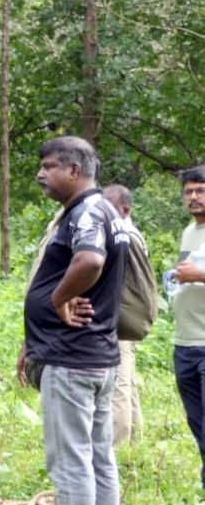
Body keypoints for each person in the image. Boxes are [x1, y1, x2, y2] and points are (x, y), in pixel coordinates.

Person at [18, 136, 126, 505]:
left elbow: (89, 262)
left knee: (72, 460)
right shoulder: (106, 212)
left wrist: (59, 300)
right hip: (95, 355)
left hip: (73, 358)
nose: (42, 174)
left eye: (49, 166)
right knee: (99, 456)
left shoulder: (86, 213)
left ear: (74, 171)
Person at [101, 184, 145, 446]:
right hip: (126, 318)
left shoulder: (122, 235)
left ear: (125, 209)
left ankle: (115, 446)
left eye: (109, 205)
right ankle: (134, 442)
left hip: (116, 317)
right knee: (126, 378)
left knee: (118, 382)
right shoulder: (131, 232)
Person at [169, 165, 205, 491]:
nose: (194, 197)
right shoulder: (188, 232)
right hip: (184, 342)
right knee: (197, 422)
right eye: (189, 192)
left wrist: (199, 276)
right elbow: (185, 272)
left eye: (200, 191)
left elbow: (195, 274)